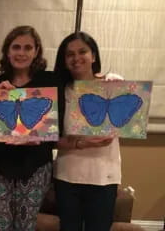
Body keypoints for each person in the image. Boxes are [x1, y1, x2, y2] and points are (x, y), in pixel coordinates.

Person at [0, 25, 62, 231]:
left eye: (27, 48)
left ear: (36, 51)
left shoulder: (49, 82)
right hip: (0, 165)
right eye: (16, 47)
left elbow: (59, 126)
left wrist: (40, 136)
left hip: (35, 166)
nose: (21, 53)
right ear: (7, 51)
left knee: (25, 224)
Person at [54, 32, 119, 231]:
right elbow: (50, 139)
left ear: (94, 56)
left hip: (103, 176)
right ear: (64, 61)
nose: (76, 58)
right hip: (67, 176)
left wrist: (118, 88)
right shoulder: (60, 91)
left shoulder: (113, 85)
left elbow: (128, 122)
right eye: (69, 54)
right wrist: (82, 143)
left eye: (82, 51)